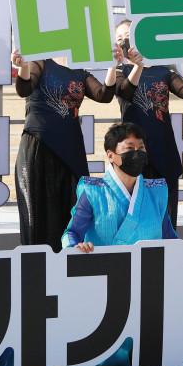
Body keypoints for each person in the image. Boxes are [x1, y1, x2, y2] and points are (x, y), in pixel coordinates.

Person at [61, 122, 183, 366]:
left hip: (149, 287)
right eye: (129, 148)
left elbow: (167, 236)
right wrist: (76, 249)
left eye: (141, 147)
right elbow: (71, 232)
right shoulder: (92, 190)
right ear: (111, 155)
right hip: (105, 289)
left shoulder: (157, 191)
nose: (137, 154)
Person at [12, 48, 123, 250]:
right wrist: (22, 67)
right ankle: (37, 271)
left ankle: (72, 264)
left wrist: (112, 66)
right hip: (39, 147)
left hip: (71, 150)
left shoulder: (80, 73)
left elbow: (104, 95)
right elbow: (24, 89)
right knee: (38, 215)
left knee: (74, 211)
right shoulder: (40, 62)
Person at [112, 19, 183, 225]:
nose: (124, 41)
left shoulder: (163, 72)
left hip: (164, 151)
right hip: (133, 154)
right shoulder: (119, 73)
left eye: (128, 35)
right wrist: (137, 66)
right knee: (137, 217)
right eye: (119, 38)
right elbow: (125, 91)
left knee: (166, 216)